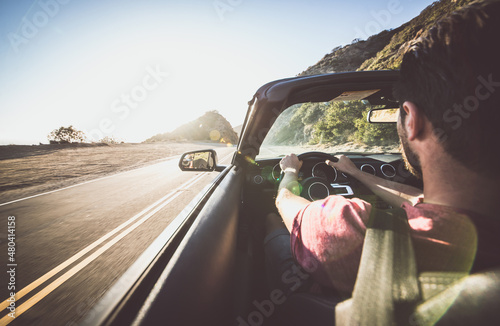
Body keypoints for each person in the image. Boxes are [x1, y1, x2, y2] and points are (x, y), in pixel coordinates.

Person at [265, 0, 500, 298]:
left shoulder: (352, 233)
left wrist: (288, 171)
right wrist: (355, 173)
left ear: (411, 120)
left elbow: (286, 202)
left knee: (271, 221)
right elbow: (418, 200)